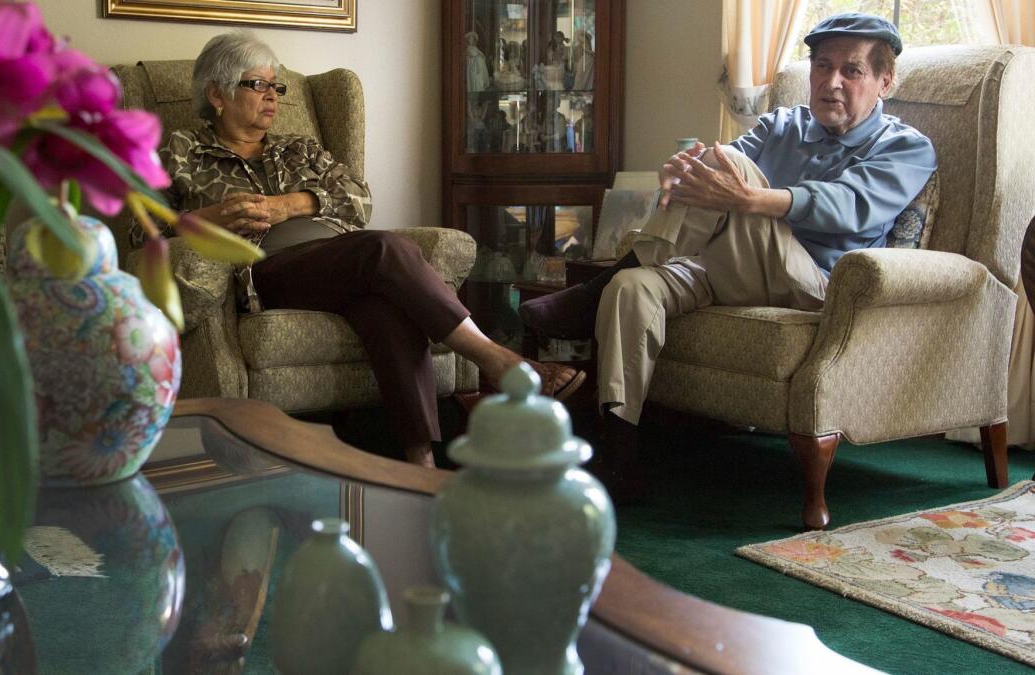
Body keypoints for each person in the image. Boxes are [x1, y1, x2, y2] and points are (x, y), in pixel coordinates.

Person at [135, 31, 585, 467]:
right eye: (259, 85)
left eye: (276, 86)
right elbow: (145, 235)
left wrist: (290, 204)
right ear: (217, 93)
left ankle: (420, 463)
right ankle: (494, 358)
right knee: (385, 249)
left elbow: (360, 197)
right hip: (264, 271)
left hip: (340, 259)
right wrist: (213, 219)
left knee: (383, 308)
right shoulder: (183, 150)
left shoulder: (300, 148)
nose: (273, 96)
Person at [519, 12, 936, 434]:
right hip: (735, 265)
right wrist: (678, 173)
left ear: (885, 82)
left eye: (852, 71)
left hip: (815, 283)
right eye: (823, 66)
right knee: (634, 288)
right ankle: (618, 442)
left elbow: (849, 205)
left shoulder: (906, 147)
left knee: (726, 164)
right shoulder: (782, 124)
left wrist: (750, 198)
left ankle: (596, 288)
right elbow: (712, 174)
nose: (832, 82)